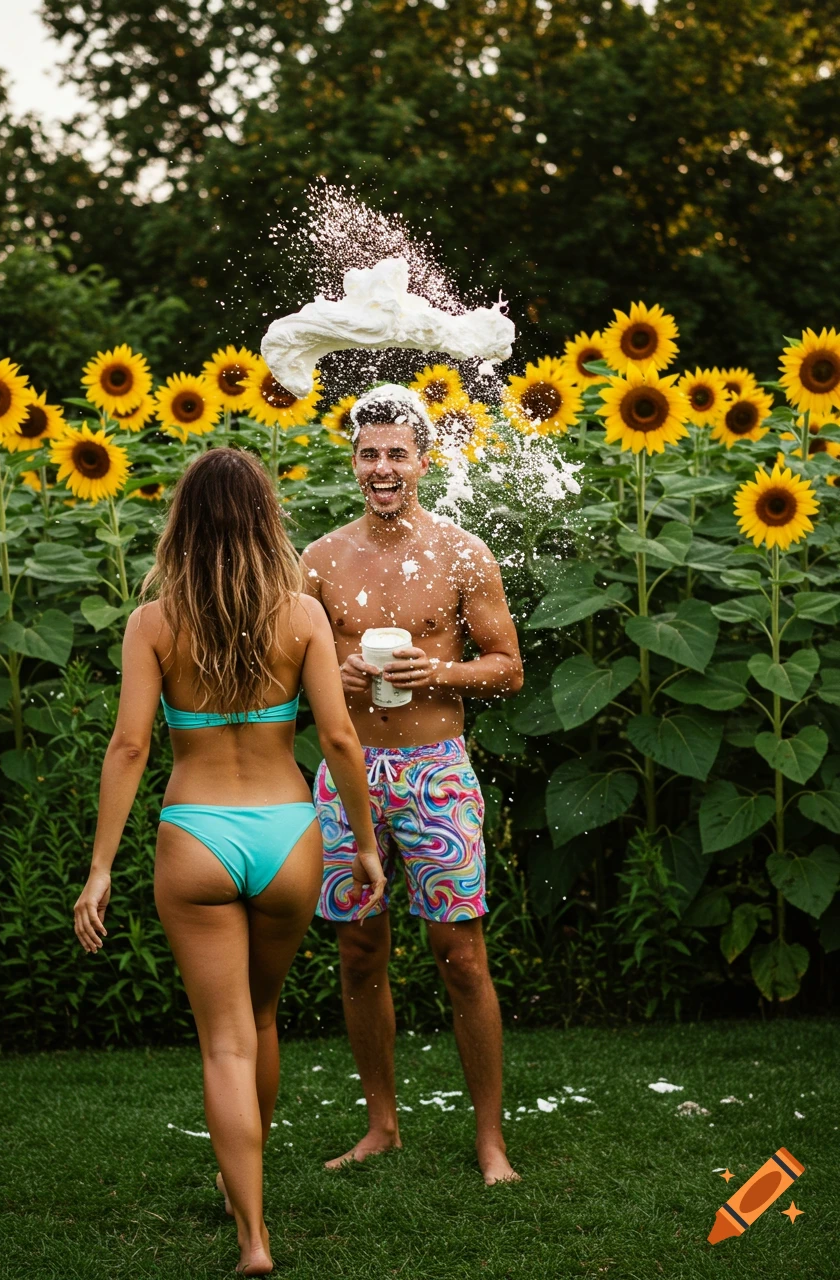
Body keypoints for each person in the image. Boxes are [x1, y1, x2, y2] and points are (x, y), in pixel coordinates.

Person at [72, 446, 385, 1277]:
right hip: (287, 834)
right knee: (262, 1017)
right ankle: (244, 1187)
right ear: (263, 519)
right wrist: (362, 840)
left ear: (183, 522)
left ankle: (252, 1236)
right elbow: (341, 737)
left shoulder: (155, 622)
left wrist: (100, 867)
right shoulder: (302, 616)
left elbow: (131, 744)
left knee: (224, 1043)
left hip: (197, 837)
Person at [301, 384, 524, 1185]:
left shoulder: (463, 552)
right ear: (354, 464)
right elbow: (297, 675)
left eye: (397, 453)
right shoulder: (320, 560)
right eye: (370, 454)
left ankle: (490, 1139)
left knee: (460, 954)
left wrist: (443, 669)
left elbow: (508, 667)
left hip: (436, 770)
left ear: (422, 463)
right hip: (350, 770)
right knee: (359, 950)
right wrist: (339, 674)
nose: (383, 467)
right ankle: (382, 1125)